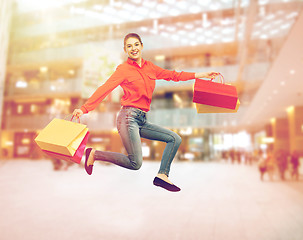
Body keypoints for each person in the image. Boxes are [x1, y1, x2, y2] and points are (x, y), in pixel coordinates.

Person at [73, 33, 219, 192]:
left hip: (141, 119)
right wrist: (84, 108)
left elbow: (173, 75)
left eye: (136, 44)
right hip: (128, 117)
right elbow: (105, 88)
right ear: (125, 50)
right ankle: (94, 154)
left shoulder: (150, 67)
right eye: (129, 46)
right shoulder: (123, 69)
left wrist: (201, 75)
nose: (133, 48)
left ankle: (162, 175)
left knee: (174, 138)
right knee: (135, 163)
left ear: (141, 46)